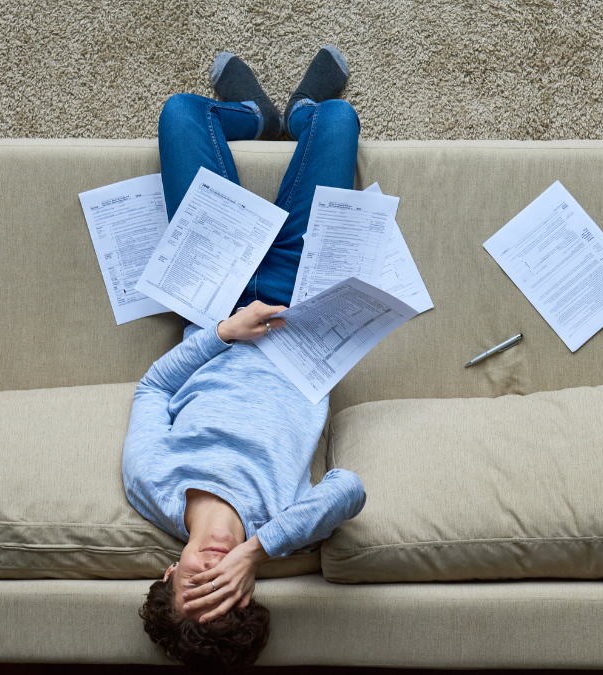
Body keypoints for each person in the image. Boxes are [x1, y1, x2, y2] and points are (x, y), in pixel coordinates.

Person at [124, 46, 367, 670]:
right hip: (300, 301)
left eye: (191, 588)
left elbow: (151, 390)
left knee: (180, 114)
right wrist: (259, 550)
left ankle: (250, 117)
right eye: (223, 593)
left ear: (169, 572)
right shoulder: (284, 522)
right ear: (248, 592)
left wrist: (224, 331)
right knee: (337, 120)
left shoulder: (153, 486)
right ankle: (301, 113)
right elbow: (348, 487)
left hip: (214, 302)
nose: (209, 572)